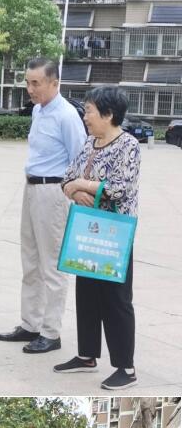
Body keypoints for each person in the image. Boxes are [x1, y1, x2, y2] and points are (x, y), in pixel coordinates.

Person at [53, 86, 141, 390]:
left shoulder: (128, 145)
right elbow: (66, 178)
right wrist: (75, 188)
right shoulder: (89, 143)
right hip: (87, 230)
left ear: (108, 114)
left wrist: (81, 183)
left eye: (90, 110)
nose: (85, 116)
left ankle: (126, 368)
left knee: (116, 299)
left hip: (115, 233)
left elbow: (119, 188)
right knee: (87, 294)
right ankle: (87, 355)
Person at [0, 58, 86, 354]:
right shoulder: (38, 111)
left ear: (54, 83)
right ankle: (30, 324)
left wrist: (72, 192)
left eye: (36, 83)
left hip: (54, 192)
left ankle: (51, 331)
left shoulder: (67, 116)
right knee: (30, 261)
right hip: (32, 188)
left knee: (52, 266)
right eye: (27, 82)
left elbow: (81, 159)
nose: (30, 89)